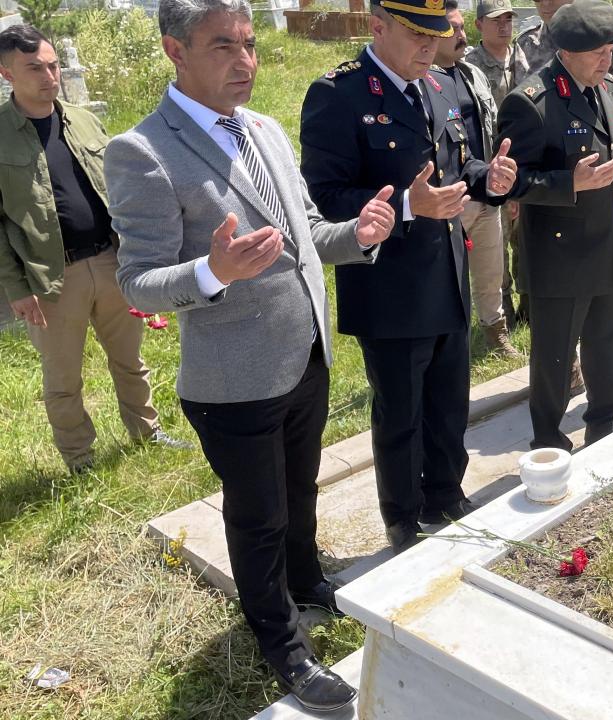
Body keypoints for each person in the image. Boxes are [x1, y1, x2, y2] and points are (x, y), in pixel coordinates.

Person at [105, 0, 397, 710]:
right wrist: (213, 271)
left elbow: (307, 239)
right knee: (258, 513)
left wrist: (358, 234)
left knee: (300, 489)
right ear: (175, 51)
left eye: (249, 44)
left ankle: (305, 580)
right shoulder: (143, 150)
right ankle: (280, 640)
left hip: (304, 354)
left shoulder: (263, 128)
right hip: (233, 380)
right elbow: (137, 280)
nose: (245, 61)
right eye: (223, 47)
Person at [299, 0, 517, 554]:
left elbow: (458, 167)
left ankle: (446, 494)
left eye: (434, 35)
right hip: (389, 288)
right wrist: (405, 207)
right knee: (401, 413)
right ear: (378, 27)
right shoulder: (339, 95)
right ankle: (402, 518)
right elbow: (322, 198)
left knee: (449, 401)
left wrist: (489, 178)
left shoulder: (439, 87)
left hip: (447, 274)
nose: (429, 46)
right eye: (417, 34)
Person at [0, 24, 190, 474]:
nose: (50, 76)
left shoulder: (82, 119)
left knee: (130, 360)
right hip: (50, 277)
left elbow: (116, 189)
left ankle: (147, 432)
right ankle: (79, 458)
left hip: (111, 262)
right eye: (35, 68)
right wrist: (16, 288)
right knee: (63, 377)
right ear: (7, 74)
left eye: (53, 66)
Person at [497, 0, 613, 451]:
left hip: (605, 245)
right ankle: (548, 437)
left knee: (605, 342)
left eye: (610, 51)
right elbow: (511, 182)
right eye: (598, 54)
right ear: (567, 52)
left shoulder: (604, 89)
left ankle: (604, 420)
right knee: (554, 354)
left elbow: (611, 151)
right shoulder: (530, 103)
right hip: (559, 256)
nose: (608, 61)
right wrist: (568, 183)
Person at [434, 0, 518, 357]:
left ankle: (497, 337)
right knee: (447, 278)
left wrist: (502, 184)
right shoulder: (422, 82)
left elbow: (493, 130)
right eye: (452, 28)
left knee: (491, 272)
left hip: (485, 189)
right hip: (449, 198)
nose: (462, 34)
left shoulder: (472, 74)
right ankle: (450, 345)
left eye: (461, 26)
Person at [464, 0, 524, 326]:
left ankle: (530, 308)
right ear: (479, 25)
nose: (504, 26)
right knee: (496, 250)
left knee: (527, 245)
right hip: (493, 173)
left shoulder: (524, 57)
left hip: (528, 170)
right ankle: (503, 316)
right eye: (496, 20)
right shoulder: (469, 67)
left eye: (508, 19)